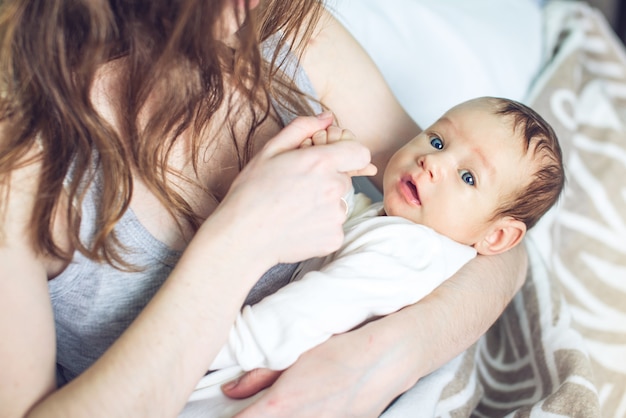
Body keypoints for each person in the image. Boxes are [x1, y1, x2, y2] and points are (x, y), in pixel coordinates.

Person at [0, 1, 528, 417]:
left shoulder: (284, 26)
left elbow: (499, 246)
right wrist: (238, 241)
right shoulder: (21, 161)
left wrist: (386, 358)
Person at [200, 96, 563, 387]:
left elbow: (295, 320)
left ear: (496, 236)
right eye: (437, 141)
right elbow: (348, 230)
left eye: (468, 177)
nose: (432, 161)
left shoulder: (411, 251)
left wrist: (199, 346)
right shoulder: (408, 231)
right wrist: (335, 183)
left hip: (241, 368)